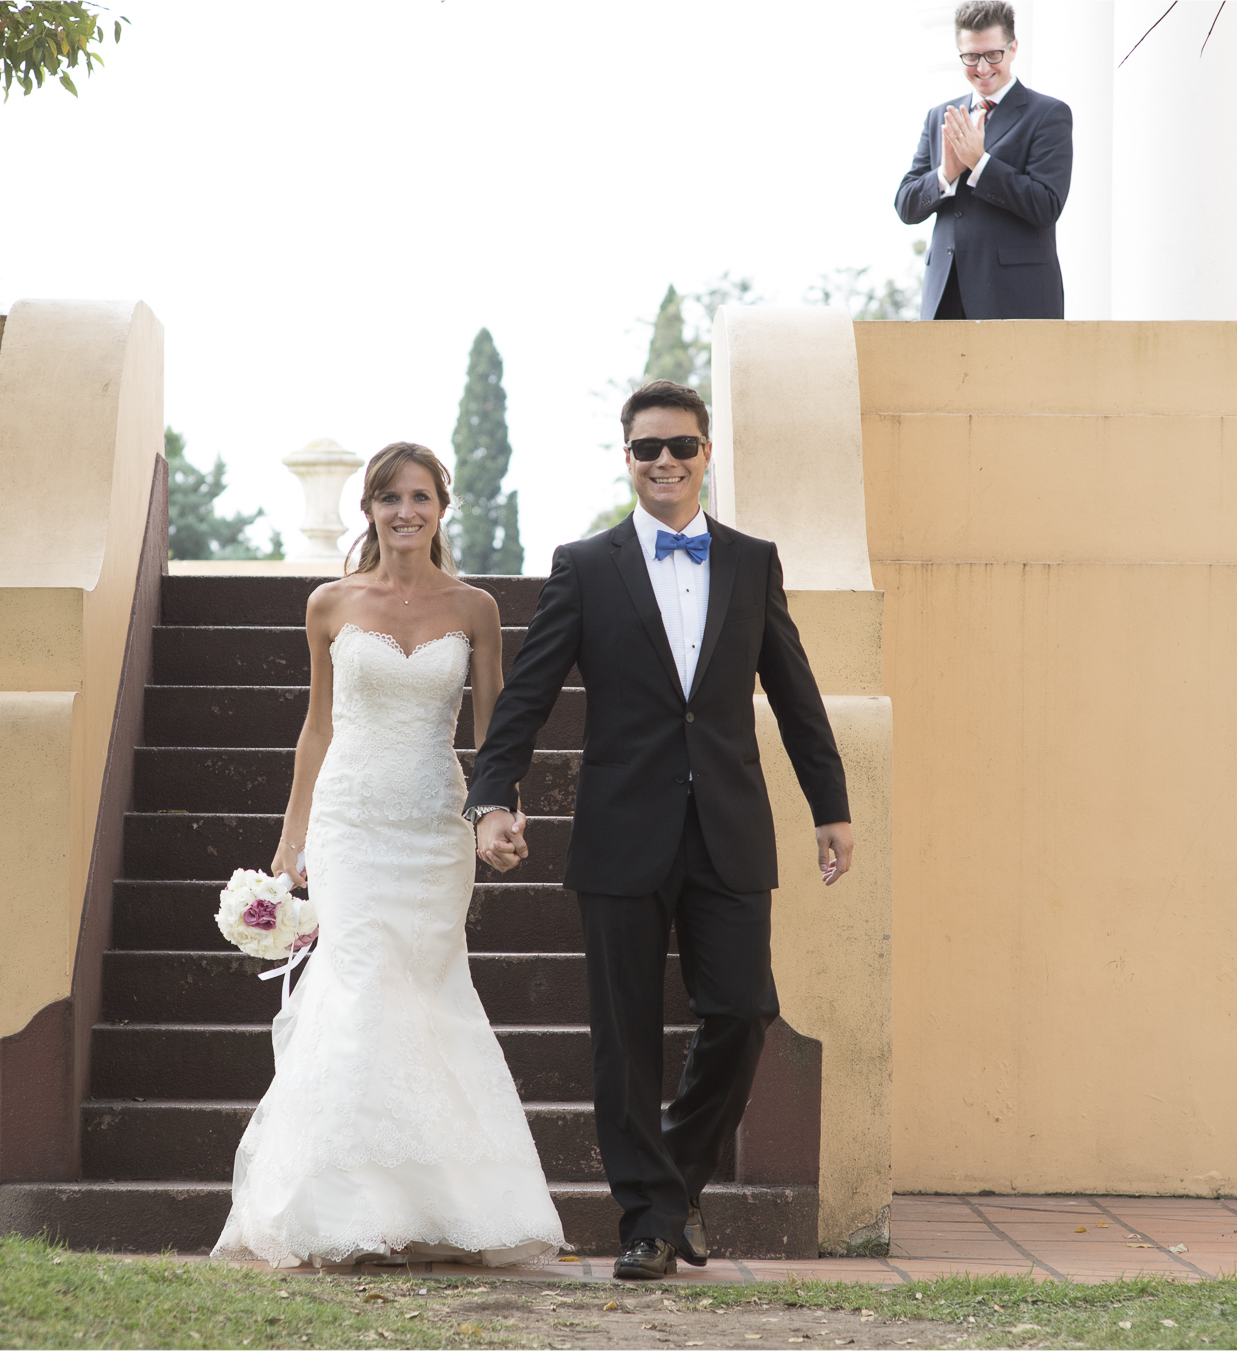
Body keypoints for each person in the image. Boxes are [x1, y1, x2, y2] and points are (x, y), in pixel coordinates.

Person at [467, 380, 855, 1281]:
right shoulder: (586, 565)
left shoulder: (754, 562)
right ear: (628, 459)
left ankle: (671, 1184)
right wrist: (493, 793)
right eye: (648, 449)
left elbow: (794, 694)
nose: (665, 461)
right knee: (625, 1034)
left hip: (728, 825)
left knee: (745, 1008)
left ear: (707, 454)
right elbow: (525, 697)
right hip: (622, 829)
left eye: (681, 445)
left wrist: (829, 806)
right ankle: (647, 1219)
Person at [212, 442, 564, 1268]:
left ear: (442, 507)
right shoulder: (329, 604)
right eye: (388, 498)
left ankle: (440, 1206)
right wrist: (290, 841)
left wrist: (501, 812)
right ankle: (347, 1208)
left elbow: (494, 730)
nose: (404, 511)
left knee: (429, 992)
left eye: (419, 496)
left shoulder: (475, 607)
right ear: (367, 509)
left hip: (435, 825)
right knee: (360, 982)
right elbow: (318, 724)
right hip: (351, 822)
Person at [895, 0, 1073, 320]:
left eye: (993, 55)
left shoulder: (1048, 114)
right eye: (971, 56)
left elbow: (1047, 205)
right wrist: (946, 172)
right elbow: (906, 206)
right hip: (945, 296)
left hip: (1016, 298)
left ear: (1013, 47)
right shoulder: (940, 116)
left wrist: (980, 164)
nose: (982, 68)